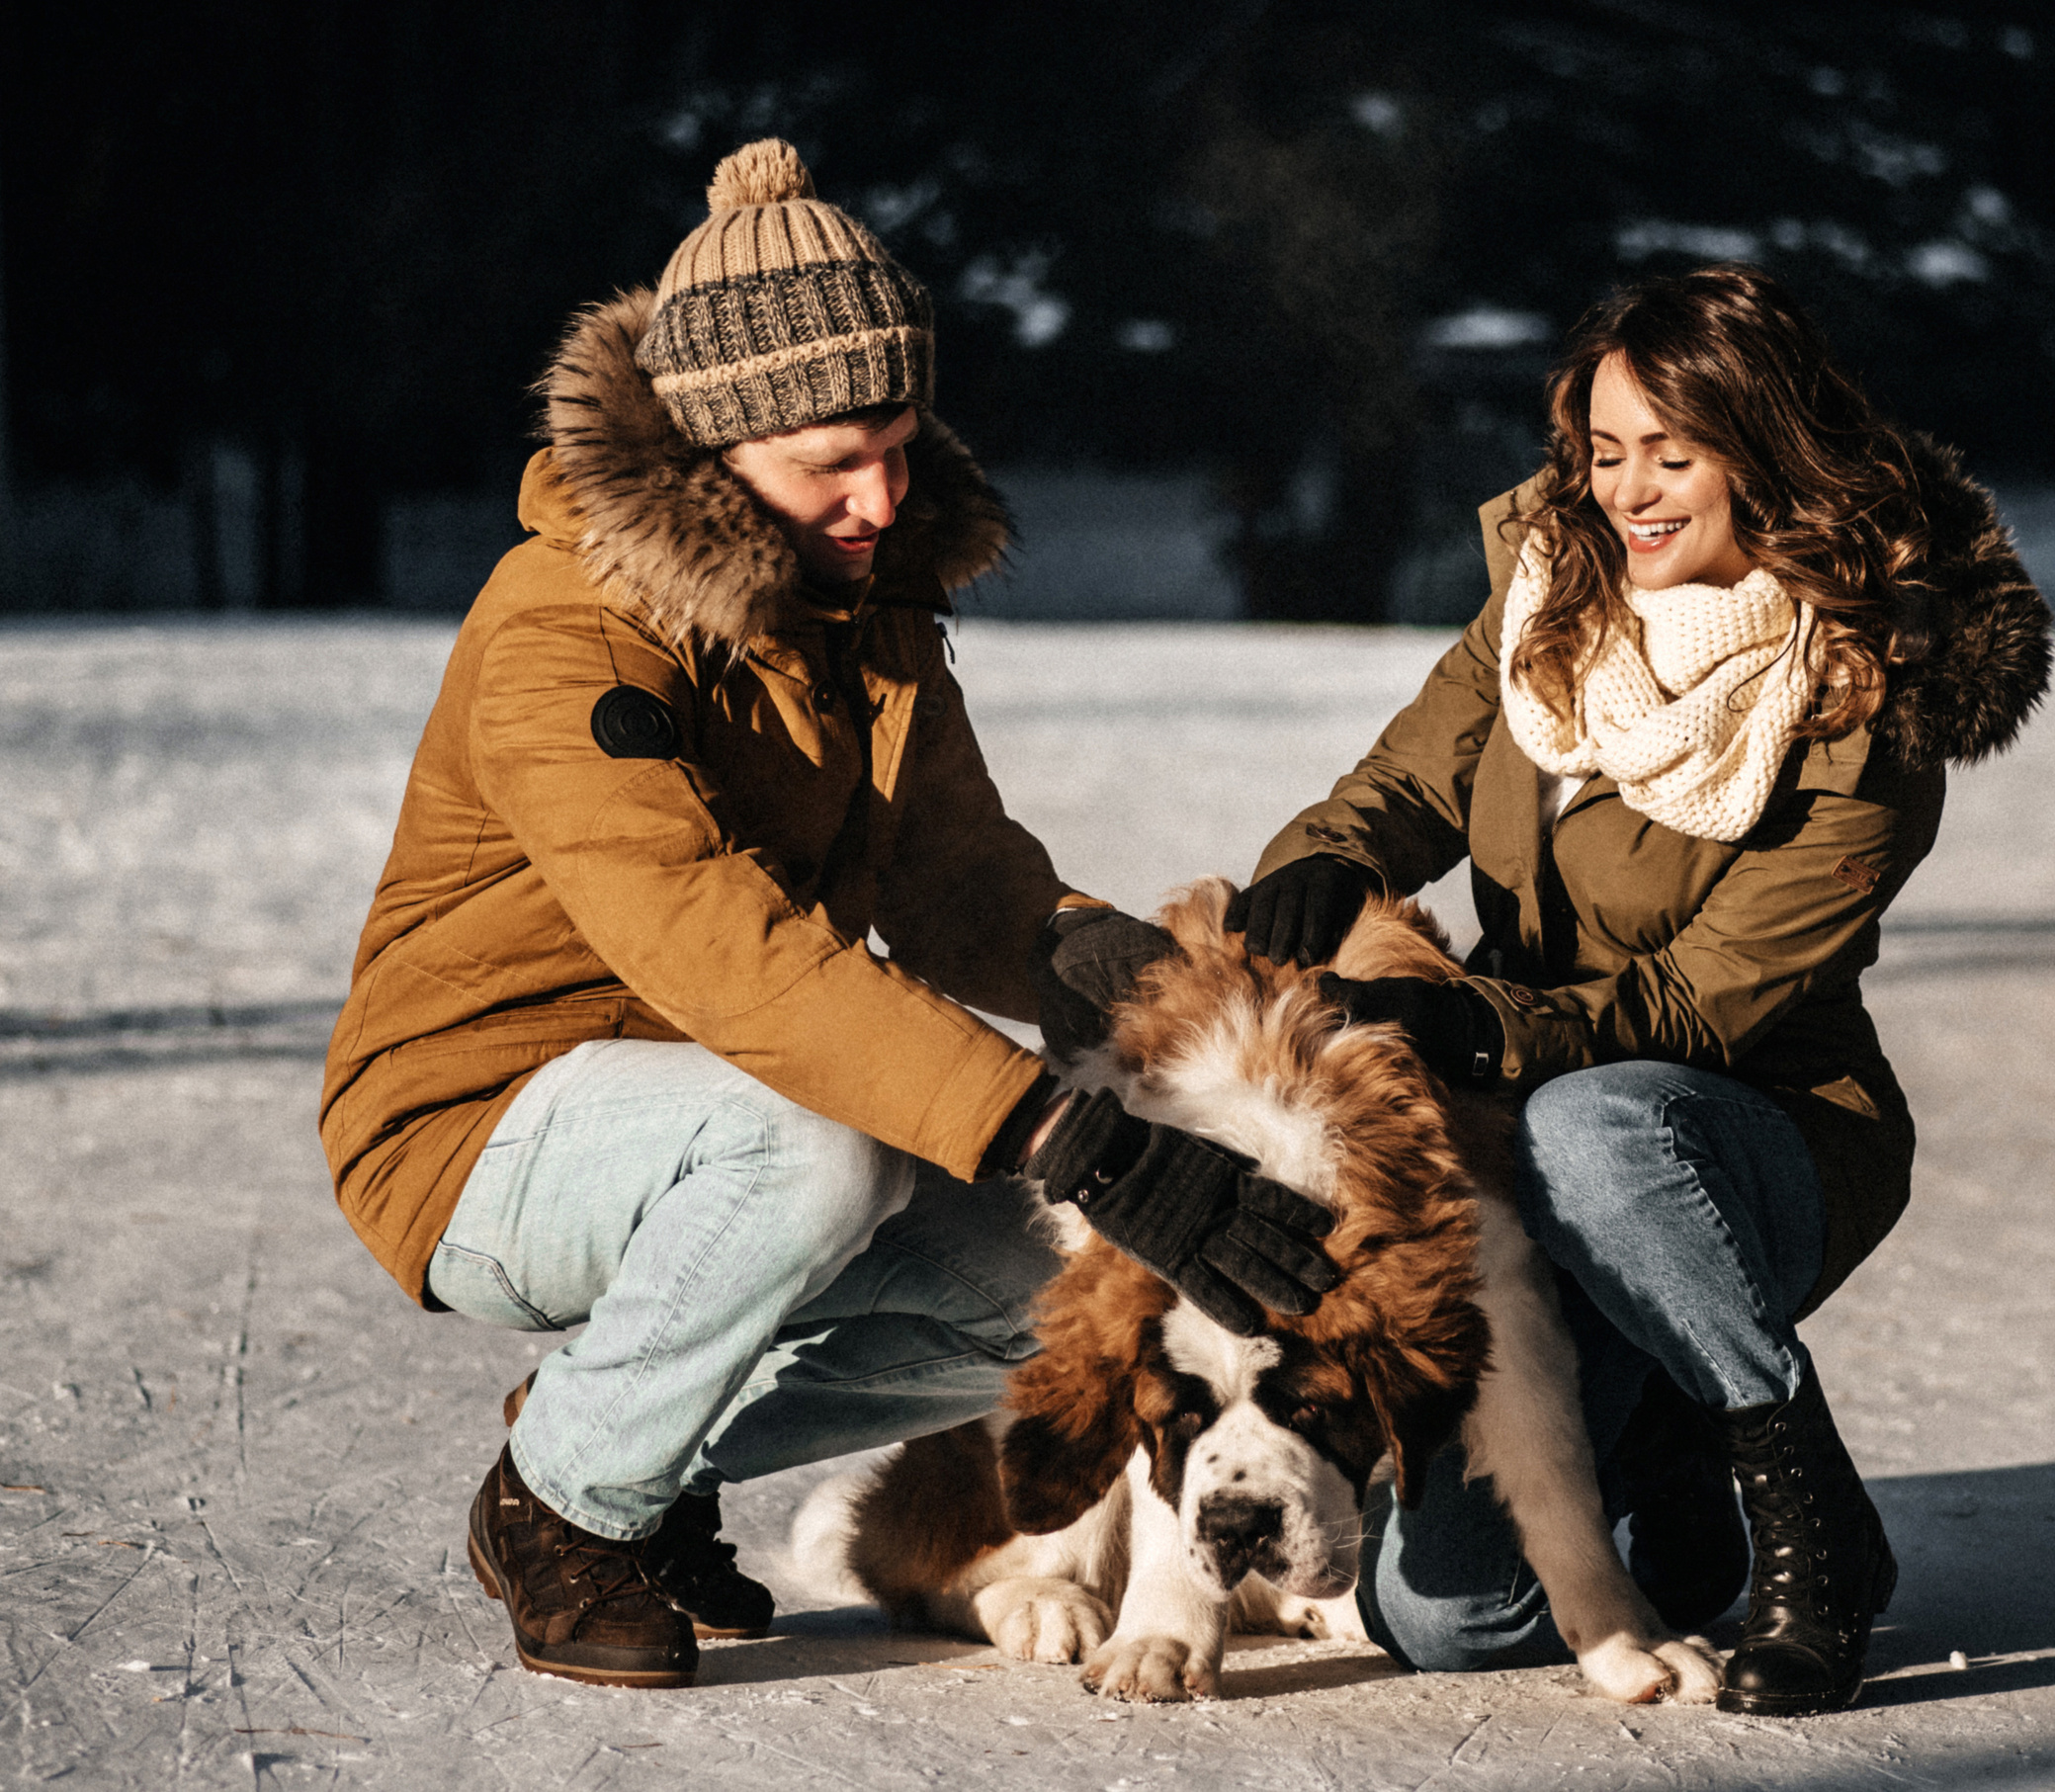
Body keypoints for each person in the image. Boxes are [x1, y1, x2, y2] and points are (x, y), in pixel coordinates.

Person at [318, 139, 1338, 1691]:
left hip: (714, 1101)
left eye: (901, 444)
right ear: (715, 449)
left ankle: (619, 1436)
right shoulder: (561, 628)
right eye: (830, 463)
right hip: (478, 1125)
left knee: (1063, 1293)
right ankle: (568, 1506)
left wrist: (1172, 994)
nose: (881, 496)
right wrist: (1073, 1135)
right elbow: (717, 948)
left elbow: (961, 883)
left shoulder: (865, 614)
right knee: (820, 1145)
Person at [1226, 267, 2051, 1716]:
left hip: (1754, 1131)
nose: (1631, 491)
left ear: (1768, 448)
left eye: (1673, 453)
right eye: (1607, 452)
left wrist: (1481, 1024)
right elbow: (1412, 781)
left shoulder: (1862, 689)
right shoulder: (1552, 593)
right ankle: (1659, 1425)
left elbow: (1698, 1008)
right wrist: (1320, 866)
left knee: (1598, 1127)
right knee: (1448, 1614)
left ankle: (1807, 1509)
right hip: (1520, 1127)